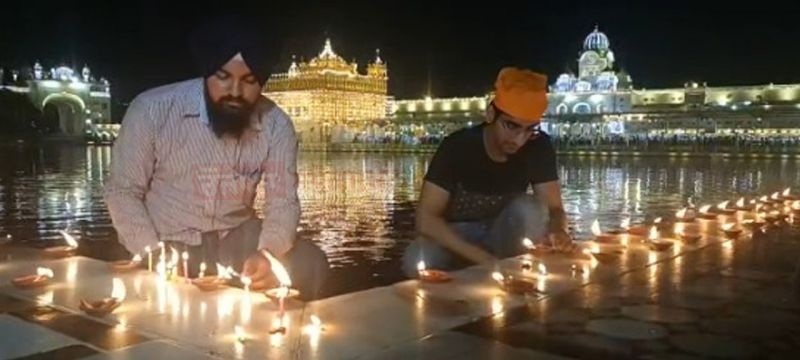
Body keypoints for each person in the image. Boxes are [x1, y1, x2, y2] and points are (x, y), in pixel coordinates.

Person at [104, 17, 328, 299]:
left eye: (248, 81)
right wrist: (153, 254)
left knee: (310, 262)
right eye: (223, 77)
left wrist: (267, 254)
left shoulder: (276, 125)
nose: (235, 91)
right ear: (207, 71)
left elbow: (282, 203)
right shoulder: (152, 110)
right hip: (167, 239)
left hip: (236, 238)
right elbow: (123, 193)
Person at [403, 67, 573, 277]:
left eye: (530, 129)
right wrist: (484, 260)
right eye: (511, 126)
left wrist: (558, 230)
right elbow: (426, 218)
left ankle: (510, 271)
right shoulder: (458, 146)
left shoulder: (538, 146)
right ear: (491, 114)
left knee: (530, 208)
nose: (519, 140)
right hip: (456, 236)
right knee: (415, 258)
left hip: (502, 234)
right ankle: (497, 270)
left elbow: (554, 208)